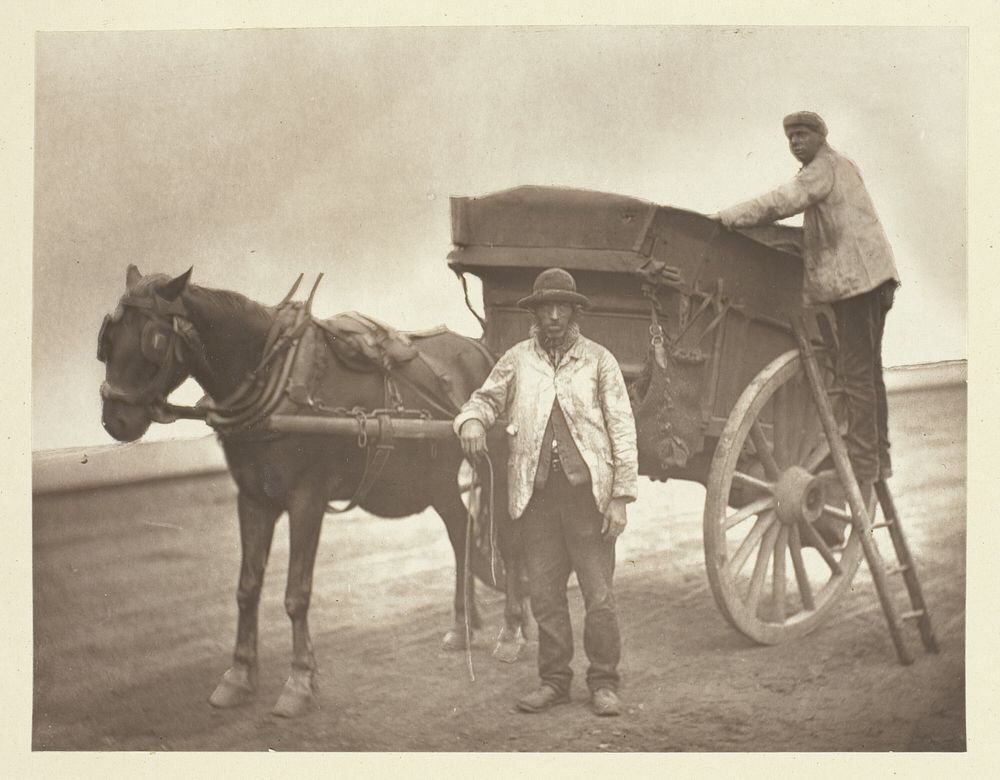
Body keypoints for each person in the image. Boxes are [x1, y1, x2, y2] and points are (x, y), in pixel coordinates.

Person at [454, 267, 638, 716]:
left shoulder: (599, 361)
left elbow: (623, 430)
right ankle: (554, 681)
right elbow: (485, 398)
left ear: (574, 312)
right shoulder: (517, 360)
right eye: (545, 308)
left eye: (562, 307)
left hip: (587, 500)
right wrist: (473, 420)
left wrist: (619, 498)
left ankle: (603, 682)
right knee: (545, 596)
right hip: (534, 500)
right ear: (534, 314)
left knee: (599, 597)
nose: (554, 316)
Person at [709, 111, 899, 529]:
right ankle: (876, 458)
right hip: (869, 280)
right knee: (867, 375)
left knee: (855, 376)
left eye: (802, 134)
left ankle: (865, 467)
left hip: (859, 284)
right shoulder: (840, 166)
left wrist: (726, 218)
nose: (795, 142)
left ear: (821, 136)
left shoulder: (821, 169)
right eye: (790, 136)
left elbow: (780, 202)